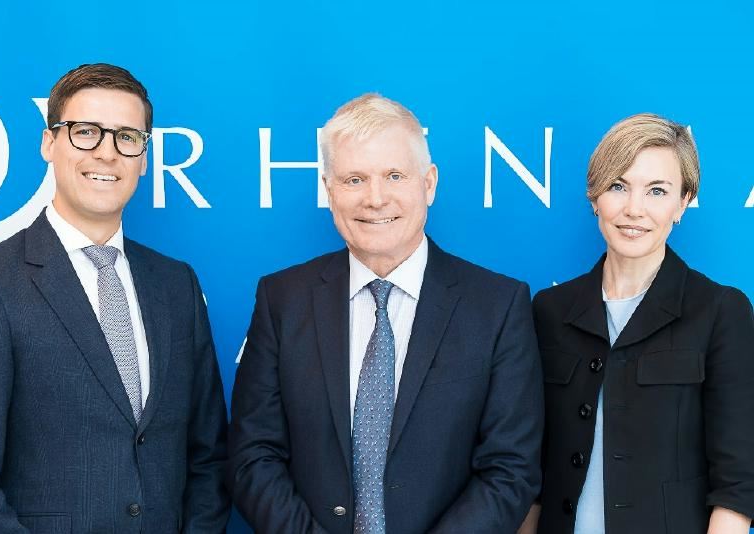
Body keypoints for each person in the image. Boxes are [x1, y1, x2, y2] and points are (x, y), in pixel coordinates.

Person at [228, 93, 543, 533]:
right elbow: (253, 456)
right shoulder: (282, 299)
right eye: (354, 179)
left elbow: (511, 469)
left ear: (428, 183)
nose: (375, 199)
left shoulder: (498, 306)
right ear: (329, 191)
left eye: (394, 176)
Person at [0, 63, 230, 533]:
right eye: (86, 132)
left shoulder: (175, 285)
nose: (107, 152)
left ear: (144, 157)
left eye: (127, 137)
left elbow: (207, 458)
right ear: (49, 143)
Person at [521, 113, 754, 534]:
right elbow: (531, 473)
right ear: (595, 197)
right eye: (618, 186)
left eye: (657, 191)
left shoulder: (720, 311)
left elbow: (737, 486)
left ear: (682, 203)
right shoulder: (549, 311)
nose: (634, 209)